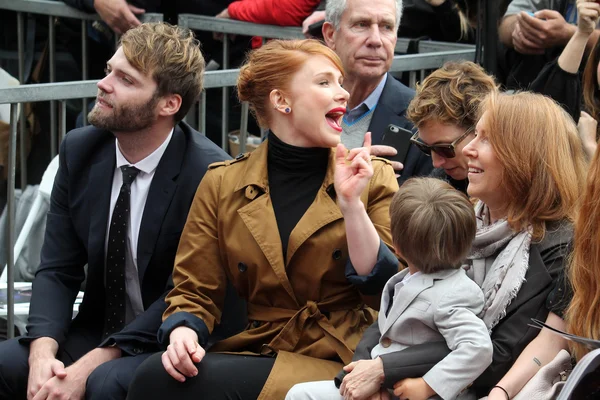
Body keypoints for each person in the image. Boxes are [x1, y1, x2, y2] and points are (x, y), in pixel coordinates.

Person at [126, 38, 400, 400]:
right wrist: (183, 331)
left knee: (156, 382)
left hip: (346, 355)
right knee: (161, 374)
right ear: (280, 101)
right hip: (259, 345)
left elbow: (390, 291)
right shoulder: (223, 181)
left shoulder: (373, 176)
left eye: (340, 81)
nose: (343, 93)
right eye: (324, 82)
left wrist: (351, 205)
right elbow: (195, 289)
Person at [0, 22, 232, 400]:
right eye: (109, 70)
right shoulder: (80, 149)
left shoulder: (208, 174)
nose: (103, 84)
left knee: (103, 384)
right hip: (97, 328)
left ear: (168, 104)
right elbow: (58, 267)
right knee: (8, 363)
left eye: (125, 79)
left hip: (173, 340)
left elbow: (185, 293)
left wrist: (92, 365)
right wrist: (43, 351)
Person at [286, 177, 493, 400]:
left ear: (397, 246)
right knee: (300, 394)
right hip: (378, 384)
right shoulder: (405, 278)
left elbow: (478, 348)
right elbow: (383, 329)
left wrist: (427, 385)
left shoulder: (454, 293)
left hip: (411, 391)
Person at [462, 91, 586, 399]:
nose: (467, 149)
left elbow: (498, 359)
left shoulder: (564, 249)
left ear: (525, 157)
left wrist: (399, 368)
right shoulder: (459, 224)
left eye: (486, 140)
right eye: (474, 135)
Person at [322, 0, 433, 184]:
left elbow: (427, 208)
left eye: (386, 27)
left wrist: (376, 189)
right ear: (331, 35)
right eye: (361, 24)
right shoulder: (302, 105)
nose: (375, 40)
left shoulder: (421, 118)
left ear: (396, 37)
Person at [406, 61, 498, 194]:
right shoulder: (439, 184)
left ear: (482, 130)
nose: (436, 163)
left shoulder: (526, 191)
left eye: (444, 149)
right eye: (425, 148)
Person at [530, 0, 600, 158]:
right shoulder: (587, 114)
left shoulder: (588, 134)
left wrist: (590, 147)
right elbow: (545, 104)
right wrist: (582, 33)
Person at [498, 0, 600, 89]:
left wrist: (569, 33)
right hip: (537, 86)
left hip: (590, 91)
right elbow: (506, 23)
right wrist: (523, 29)